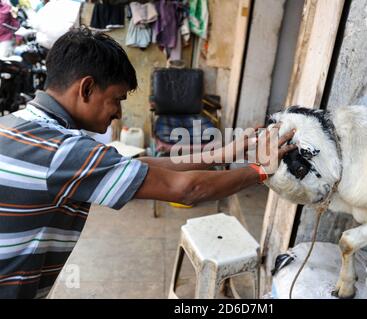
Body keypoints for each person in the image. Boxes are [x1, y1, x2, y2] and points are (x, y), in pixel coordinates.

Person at [0, 27, 296, 299]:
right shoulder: (64, 152)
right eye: (116, 99)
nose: (117, 113)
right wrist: (260, 170)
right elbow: (187, 190)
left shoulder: (14, 124)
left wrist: (224, 154)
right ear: (86, 88)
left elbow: (142, 164)